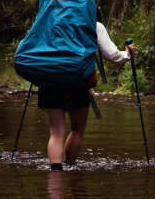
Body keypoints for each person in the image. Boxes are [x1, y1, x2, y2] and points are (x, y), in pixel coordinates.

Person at [37, 19, 135, 171]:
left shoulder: (48, 20)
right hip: (78, 83)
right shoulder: (93, 25)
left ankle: (55, 178)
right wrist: (127, 54)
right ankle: (70, 170)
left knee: (56, 134)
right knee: (76, 130)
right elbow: (112, 54)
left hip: (50, 81)